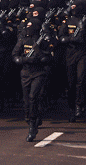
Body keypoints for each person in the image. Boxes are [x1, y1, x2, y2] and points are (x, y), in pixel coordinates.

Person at [11, 10, 53, 142]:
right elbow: (15, 54)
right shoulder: (23, 39)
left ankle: (32, 126)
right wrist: (23, 60)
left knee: (33, 96)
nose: (28, 29)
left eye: (31, 26)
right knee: (27, 100)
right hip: (25, 72)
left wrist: (38, 53)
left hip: (38, 73)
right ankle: (30, 117)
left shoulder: (43, 41)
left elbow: (49, 58)